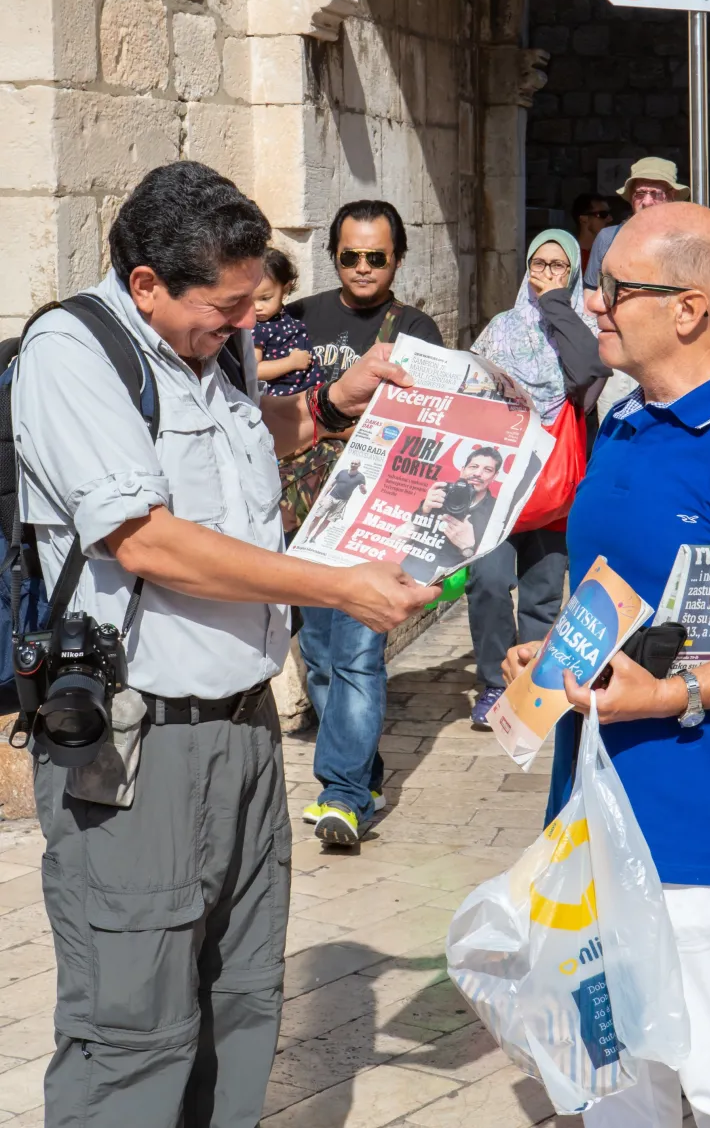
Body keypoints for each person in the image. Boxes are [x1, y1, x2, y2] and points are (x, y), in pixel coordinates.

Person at [12, 161, 437, 1128]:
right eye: (229, 305)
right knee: (135, 1027)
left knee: (240, 1002)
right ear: (149, 284)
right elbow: (148, 540)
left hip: (242, 732)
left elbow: (253, 438)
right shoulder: (74, 354)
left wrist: (334, 404)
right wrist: (336, 587)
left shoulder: (217, 344)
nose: (251, 326)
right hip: (139, 750)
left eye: (257, 303)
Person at [504, 202, 710, 1128]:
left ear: (690, 309)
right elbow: (625, 592)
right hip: (595, 822)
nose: (592, 304)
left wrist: (675, 690)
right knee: (618, 1090)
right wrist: (559, 647)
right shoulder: (623, 421)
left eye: (616, 290)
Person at [289, 199, 444, 846]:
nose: (360, 268)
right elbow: (274, 405)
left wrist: (326, 418)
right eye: (348, 256)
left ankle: (344, 794)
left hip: (376, 517)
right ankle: (366, 771)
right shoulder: (300, 319)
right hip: (301, 515)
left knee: (356, 656)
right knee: (318, 657)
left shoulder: (418, 332)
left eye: (374, 257)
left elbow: (426, 424)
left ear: (396, 259)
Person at [467, 229, 609, 729]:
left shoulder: (585, 326)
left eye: (558, 267)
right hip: (501, 479)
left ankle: (534, 688)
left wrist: (556, 307)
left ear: (572, 274)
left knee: (544, 590)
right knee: (487, 580)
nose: (546, 274)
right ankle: (491, 683)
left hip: (556, 479)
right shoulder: (501, 328)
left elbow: (588, 371)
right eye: (538, 265)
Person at [584, 158, 690, 420]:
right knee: (617, 431)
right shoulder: (608, 238)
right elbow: (589, 297)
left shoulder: (686, 242)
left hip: (670, 354)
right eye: (641, 193)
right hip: (620, 358)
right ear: (631, 198)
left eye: (657, 193)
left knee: (666, 431)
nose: (648, 201)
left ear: (672, 197)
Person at [399, 446, 503, 583]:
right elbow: (399, 540)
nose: (478, 473)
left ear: (495, 476)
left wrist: (467, 548)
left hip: (450, 584)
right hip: (410, 573)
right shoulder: (440, 495)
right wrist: (423, 512)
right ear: (463, 470)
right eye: (473, 467)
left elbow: (492, 569)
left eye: (487, 470)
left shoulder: (497, 512)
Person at [252, 247, 322, 396]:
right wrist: (291, 363)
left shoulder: (284, 317)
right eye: (249, 299)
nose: (257, 307)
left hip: (309, 393)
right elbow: (254, 370)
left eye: (265, 298)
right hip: (282, 401)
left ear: (285, 290)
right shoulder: (256, 327)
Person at [304, 457, 367, 545]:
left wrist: (363, 489)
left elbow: (363, 491)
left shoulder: (361, 477)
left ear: (359, 465)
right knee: (318, 516)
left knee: (327, 520)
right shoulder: (342, 472)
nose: (353, 465)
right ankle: (307, 535)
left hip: (342, 501)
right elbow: (331, 484)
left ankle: (314, 537)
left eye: (355, 464)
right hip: (331, 497)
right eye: (352, 463)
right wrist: (323, 496)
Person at [571, 192, 612, 275]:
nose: (610, 219)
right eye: (603, 214)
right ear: (583, 219)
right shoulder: (569, 255)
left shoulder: (610, 253)